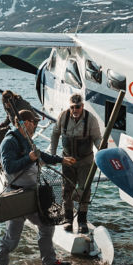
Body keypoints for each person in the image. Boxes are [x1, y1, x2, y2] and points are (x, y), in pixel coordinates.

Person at [0, 109, 77, 265]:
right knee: (12, 239)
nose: (35, 125)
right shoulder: (9, 142)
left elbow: (40, 155)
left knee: (47, 226)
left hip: (32, 194)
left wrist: (61, 160)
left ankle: (50, 263)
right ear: (23, 123)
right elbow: (9, 167)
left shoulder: (27, 139)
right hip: (17, 196)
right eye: (33, 122)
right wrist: (29, 158)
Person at [48, 93, 102, 234]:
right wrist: (53, 155)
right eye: (72, 107)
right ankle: (68, 219)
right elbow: (55, 134)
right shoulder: (63, 117)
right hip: (67, 160)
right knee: (67, 190)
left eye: (77, 107)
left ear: (82, 106)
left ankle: (82, 220)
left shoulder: (91, 119)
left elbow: (97, 139)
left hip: (85, 161)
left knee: (84, 190)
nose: (75, 110)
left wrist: (102, 149)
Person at [0, 90, 34, 169]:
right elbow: (9, 116)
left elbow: (31, 120)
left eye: (9, 103)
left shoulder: (21, 105)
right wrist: (3, 124)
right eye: (6, 103)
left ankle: (3, 161)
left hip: (24, 129)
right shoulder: (6, 104)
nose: (7, 105)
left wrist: (28, 133)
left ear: (13, 99)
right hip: (15, 128)